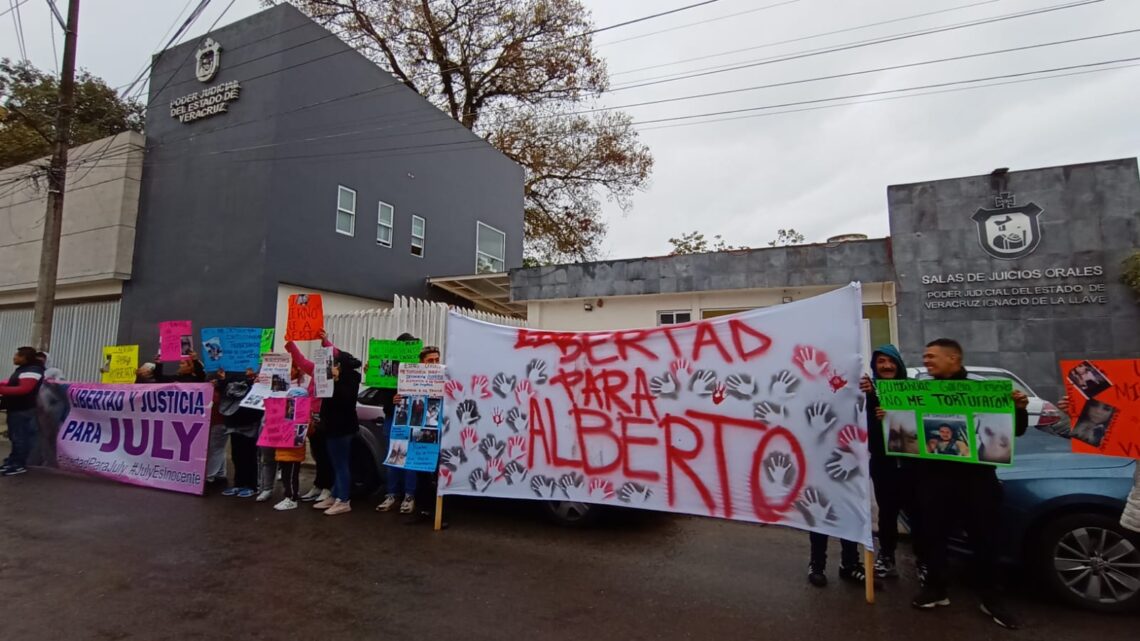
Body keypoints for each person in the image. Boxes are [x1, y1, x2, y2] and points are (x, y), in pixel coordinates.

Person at [911, 338, 1028, 630]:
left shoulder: (982, 388)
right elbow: (908, 429)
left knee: (984, 540)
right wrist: (888, 418)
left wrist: (1019, 409)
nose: (926, 361)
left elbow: (1017, 430)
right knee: (933, 537)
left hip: (977, 480)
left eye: (932, 356)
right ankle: (936, 590)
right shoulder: (921, 389)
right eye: (925, 356)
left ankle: (991, 599)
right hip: (934, 479)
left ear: (954, 358)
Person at [859, 344, 921, 580]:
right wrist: (871, 398)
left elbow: (927, 423)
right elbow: (867, 431)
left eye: (891, 361)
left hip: (913, 465)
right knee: (887, 513)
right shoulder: (869, 392)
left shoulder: (913, 390)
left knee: (918, 514)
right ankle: (886, 557)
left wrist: (896, 416)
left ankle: (923, 561)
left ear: (899, 364)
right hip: (884, 465)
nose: (886, 366)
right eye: (881, 361)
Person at [376, 334, 431, 515]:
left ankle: (409, 495)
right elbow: (380, 391)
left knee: (410, 458)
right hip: (394, 417)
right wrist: (391, 399)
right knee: (394, 457)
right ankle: (392, 494)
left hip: (411, 419)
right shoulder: (387, 366)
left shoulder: (419, 368)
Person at [286, 330, 339, 504]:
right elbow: (300, 361)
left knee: (326, 454)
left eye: (326, 357)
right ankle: (318, 485)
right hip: (312, 418)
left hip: (325, 418)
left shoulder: (335, 375)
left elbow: (336, 353)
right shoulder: (315, 370)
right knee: (317, 453)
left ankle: (327, 487)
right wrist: (290, 343)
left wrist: (325, 341)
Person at [314, 350, 362, 515]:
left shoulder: (352, 378)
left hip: (343, 427)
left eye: (334, 364)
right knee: (335, 463)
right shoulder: (334, 379)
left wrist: (335, 380)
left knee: (341, 464)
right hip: (330, 426)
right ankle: (335, 495)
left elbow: (346, 398)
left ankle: (344, 499)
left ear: (340, 366)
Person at [215, 368, 263, 498]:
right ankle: (239, 483)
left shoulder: (256, 370)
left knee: (250, 454)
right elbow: (223, 391)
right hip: (233, 417)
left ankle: (252, 485)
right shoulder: (229, 371)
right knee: (236, 454)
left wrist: (253, 379)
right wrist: (221, 380)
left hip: (250, 416)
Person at [0, 346, 45, 476]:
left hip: (22, 409)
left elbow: (23, 389)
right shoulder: (24, 369)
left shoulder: (33, 370)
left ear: (25, 358)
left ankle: (18, 464)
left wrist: (2, 390)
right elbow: (12, 383)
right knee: (15, 436)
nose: (15, 357)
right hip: (16, 408)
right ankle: (12, 461)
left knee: (20, 437)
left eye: (18, 355)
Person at [273, 387, 310, 511]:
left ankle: (292, 498)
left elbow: (308, 431)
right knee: (286, 475)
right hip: (283, 450)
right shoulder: (284, 410)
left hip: (293, 452)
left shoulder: (303, 413)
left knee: (290, 476)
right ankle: (291, 495)